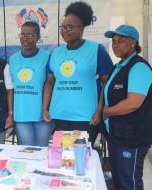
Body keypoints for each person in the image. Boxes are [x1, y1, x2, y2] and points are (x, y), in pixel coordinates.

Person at [42, 1, 113, 145]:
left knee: (81, 159)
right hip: (60, 115)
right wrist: (44, 109)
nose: (65, 30)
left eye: (70, 27)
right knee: (63, 159)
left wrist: (99, 111)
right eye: (63, 27)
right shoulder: (55, 53)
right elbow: (49, 83)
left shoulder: (96, 50)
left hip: (86, 118)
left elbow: (107, 83)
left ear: (81, 28)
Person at [103, 24, 152, 190]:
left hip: (133, 138)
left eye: (121, 41)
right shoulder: (118, 66)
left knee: (129, 181)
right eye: (114, 41)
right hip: (118, 135)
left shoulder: (139, 67)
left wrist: (107, 112)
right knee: (119, 178)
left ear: (133, 43)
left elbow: (133, 103)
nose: (115, 45)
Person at [9, 21, 54, 146]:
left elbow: (50, 84)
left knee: (41, 151)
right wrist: (10, 113)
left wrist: (45, 109)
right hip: (21, 114)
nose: (25, 39)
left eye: (30, 35)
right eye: (23, 35)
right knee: (27, 152)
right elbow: (10, 89)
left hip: (42, 116)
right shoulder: (12, 59)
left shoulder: (47, 56)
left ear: (38, 37)